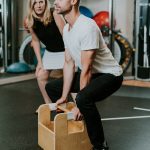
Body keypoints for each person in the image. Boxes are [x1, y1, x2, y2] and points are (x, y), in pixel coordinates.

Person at [45, 0, 123, 149]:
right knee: (52, 87)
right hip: (93, 73)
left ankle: (100, 145)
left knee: (83, 98)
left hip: (110, 75)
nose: (55, 2)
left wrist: (79, 105)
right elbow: (69, 63)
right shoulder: (67, 29)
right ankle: (76, 125)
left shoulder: (87, 26)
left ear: (73, 1)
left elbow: (86, 69)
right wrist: (63, 96)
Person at [26, 0, 66, 104]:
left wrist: (70, 56)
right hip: (50, 52)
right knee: (41, 76)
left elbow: (66, 35)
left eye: (41, 2)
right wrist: (39, 62)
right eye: (35, 3)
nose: (38, 5)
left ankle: (79, 106)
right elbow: (35, 41)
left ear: (46, 3)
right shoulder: (29, 20)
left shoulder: (55, 14)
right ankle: (49, 104)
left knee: (71, 78)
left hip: (65, 50)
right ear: (31, 5)